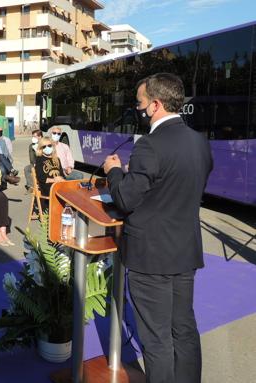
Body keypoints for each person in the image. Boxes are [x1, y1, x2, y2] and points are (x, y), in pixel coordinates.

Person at [103, 73, 213, 383]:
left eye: (139, 103)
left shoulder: (149, 145)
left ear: (155, 105)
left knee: (157, 339)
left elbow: (125, 199)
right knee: (185, 330)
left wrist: (114, 173)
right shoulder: (199, 141)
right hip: (184, 251)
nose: (138, 109)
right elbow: (179, 186)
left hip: (150, 256)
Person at [34, 137, 64, 211]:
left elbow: (62, 174)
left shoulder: (57, 159)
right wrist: (54, 180)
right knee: (60, 191)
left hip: (58, 184)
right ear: (40, 148)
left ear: (53, 146)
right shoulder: (39, 159)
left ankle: (66, 211)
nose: (47, 148)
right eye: (44, 146)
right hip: (47, 185)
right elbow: (40, 177)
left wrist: (61, 179)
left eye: (49, 145)